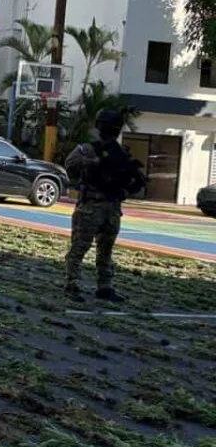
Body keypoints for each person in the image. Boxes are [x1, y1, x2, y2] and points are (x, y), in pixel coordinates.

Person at [63, 108, 148, 304]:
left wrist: (126, 186)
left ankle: (104, 287)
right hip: (91, 205)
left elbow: (132, 183)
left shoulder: (120, 155)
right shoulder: (89, 149)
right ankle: (71, 284)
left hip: (111, 207)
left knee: (105, 251)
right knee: (80, 248)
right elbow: (71, 165)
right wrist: (96, 163)